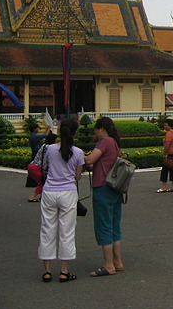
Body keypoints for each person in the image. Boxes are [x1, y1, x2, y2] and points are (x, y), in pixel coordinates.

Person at [37, 118, 84, 283]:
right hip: (68, 192)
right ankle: (64, 271)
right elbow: (77, 177)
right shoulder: (78, 152)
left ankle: (47, 271)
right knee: (67, 232)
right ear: (74, 133)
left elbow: (43, 166)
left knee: (47, 229)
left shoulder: (49, 149)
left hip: (49, 191)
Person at [83, 116, 124, 276]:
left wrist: (75, 154)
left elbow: (90, 159)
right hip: (115, 189)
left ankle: (108, 265)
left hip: (103, 187)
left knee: (103, 226)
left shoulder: (105, 141)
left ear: (101, 129)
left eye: (96, 130)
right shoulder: (115, 142)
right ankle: (117, 261)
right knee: (114, 226)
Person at [27, 131, 57, 202]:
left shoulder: (44, 146)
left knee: (44, 181)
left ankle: (42, 197)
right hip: (37, 167)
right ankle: (32, 197)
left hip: (32, 166)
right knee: (43, 182)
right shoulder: (49, 147)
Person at [157, 118, 173, 193]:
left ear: (170, 126)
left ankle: (164, 187)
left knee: (165, 171)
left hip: (169, 153)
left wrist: (165, 153)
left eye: (166, 125)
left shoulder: (169, 133)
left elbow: (167, 144)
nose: (164, 127)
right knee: (172, 170)